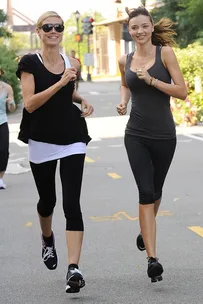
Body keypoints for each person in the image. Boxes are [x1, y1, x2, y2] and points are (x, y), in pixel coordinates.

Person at [16, 11, 94, 293]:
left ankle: (74, 268)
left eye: (58, 27)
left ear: (62, 31)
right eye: (47, 27)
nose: (53, 31)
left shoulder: (71, 62)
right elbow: (30, 103)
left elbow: (67, 94)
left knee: (72, 204)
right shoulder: (28, 62)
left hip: (72, 135)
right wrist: (61, 82)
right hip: (42, 138)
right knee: (47, 200)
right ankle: (47, 238)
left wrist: (80, 97)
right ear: (39, 31)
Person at [117, 6, 187, 283]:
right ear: (130, 30)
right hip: (135, 133)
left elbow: (181, 92)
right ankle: (152, 259)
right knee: (145, 192)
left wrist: (154, 81)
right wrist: (123, 101)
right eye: (134, 28)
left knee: (156, 191)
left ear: (151, 26)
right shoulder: (125, 60)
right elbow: (126, 84)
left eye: (144, 26)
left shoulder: (165, 53)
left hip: (164, 135)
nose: (140, 31)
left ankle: (146, 229)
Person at [0, 68, 16, 189]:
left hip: (2, 121)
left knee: (3, 151)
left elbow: (12, 108)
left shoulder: (7, 88)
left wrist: (10, 103)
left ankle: (0, 179)